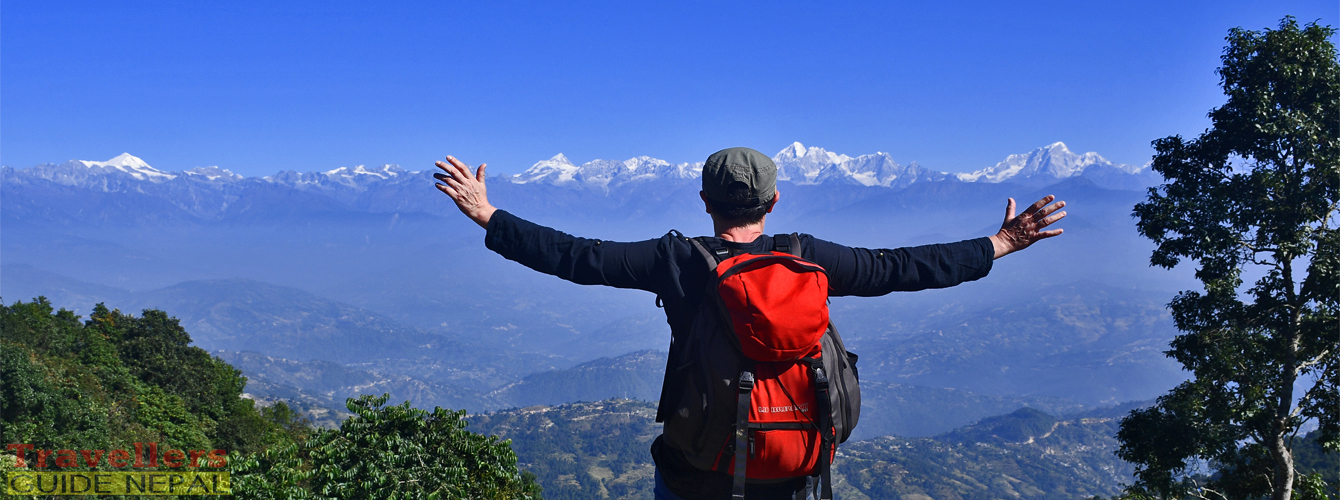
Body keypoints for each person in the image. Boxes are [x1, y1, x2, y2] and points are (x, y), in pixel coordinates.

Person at [432, 147, 1066, 500]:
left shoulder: (679, 260)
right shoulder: (809, 258)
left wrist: (490, 215)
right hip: (797, 471)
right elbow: (900, 267)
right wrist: (1000, 244)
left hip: (698, 472)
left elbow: (578, 258)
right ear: (774, 202)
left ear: (705, 202)